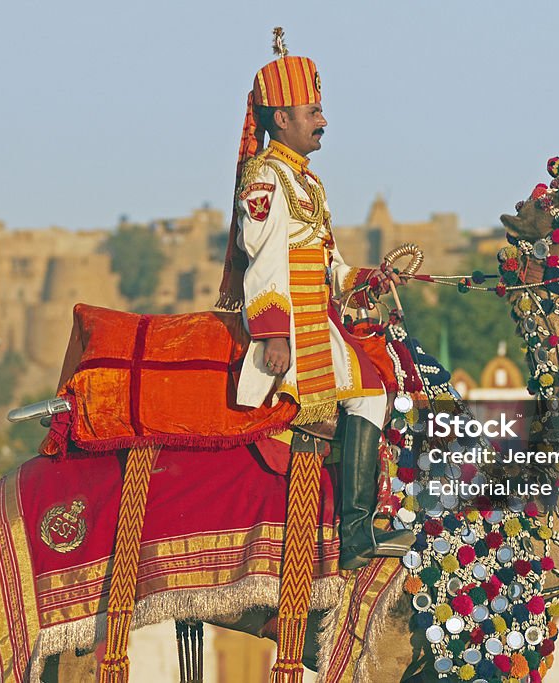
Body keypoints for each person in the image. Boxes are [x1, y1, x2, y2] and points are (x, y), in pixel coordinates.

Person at [217, 29, 413, 570]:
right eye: (313, 110)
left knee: (384, 381)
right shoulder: (266, 178)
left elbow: (328, 265)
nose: (323, 120)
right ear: (281, 118)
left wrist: (371, 278)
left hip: (319, 315)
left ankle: (362, 518)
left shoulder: (310, 183)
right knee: (369, 391)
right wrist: (273, 332)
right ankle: (353, 532)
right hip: (291, 326)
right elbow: (262, 258)